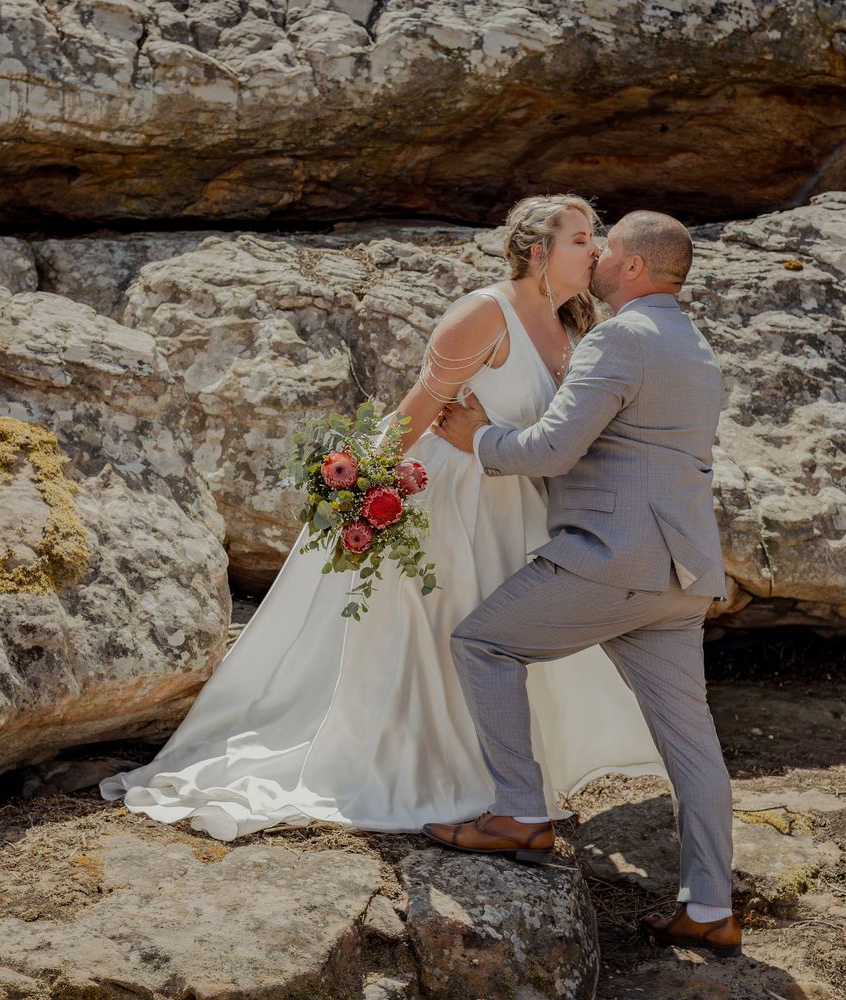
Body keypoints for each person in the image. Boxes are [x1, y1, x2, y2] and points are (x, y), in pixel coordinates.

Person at [100, 195, 666, 840]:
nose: (595, 251)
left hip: (521, 504)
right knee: (446, 631)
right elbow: (416, 411)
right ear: (537, 251)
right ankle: (435, 774)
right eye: (581, 239)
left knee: (505, 642)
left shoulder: (571, 326)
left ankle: (508, 784)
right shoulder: (484, 314)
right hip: (456, 501)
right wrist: (360, 488)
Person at [427, 210, 740, 956]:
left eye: (608, 249)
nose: (596, 256)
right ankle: (710, 907)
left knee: (483, 645)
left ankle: (518, 813)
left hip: (613, 559)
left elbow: (554, 450)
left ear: (632, 269)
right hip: (682, 570)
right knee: (692, 744)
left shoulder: (620, 337)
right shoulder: (693, 345)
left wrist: (477, 439)